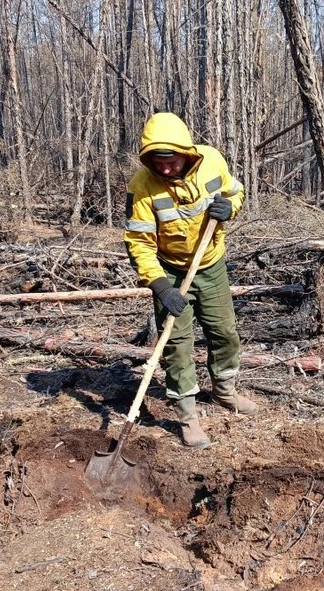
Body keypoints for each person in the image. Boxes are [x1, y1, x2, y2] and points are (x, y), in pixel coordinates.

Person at [124, 112, 258, 448]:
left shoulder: (212, 160)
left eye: (171, 159)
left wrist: (231, 207)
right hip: (169, 271)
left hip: (210, 265)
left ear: (187, 152)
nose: (166, 168)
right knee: (177, 345)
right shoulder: (142, 187)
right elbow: (138, 243)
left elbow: (234, 191)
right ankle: (187, 417)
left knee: (224, 331)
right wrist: (161, 287)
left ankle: (225, 392)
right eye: (158, 161)